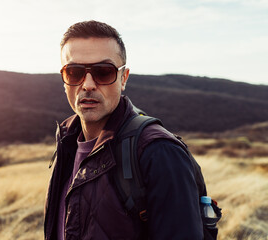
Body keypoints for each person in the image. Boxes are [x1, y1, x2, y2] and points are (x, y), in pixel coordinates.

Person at [44, 20, 204, 240]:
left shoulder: (158, 152)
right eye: (74, 72)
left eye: (103, 72)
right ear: (64, 79)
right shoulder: (67, 143)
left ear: (123, 78)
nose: (88, 84)